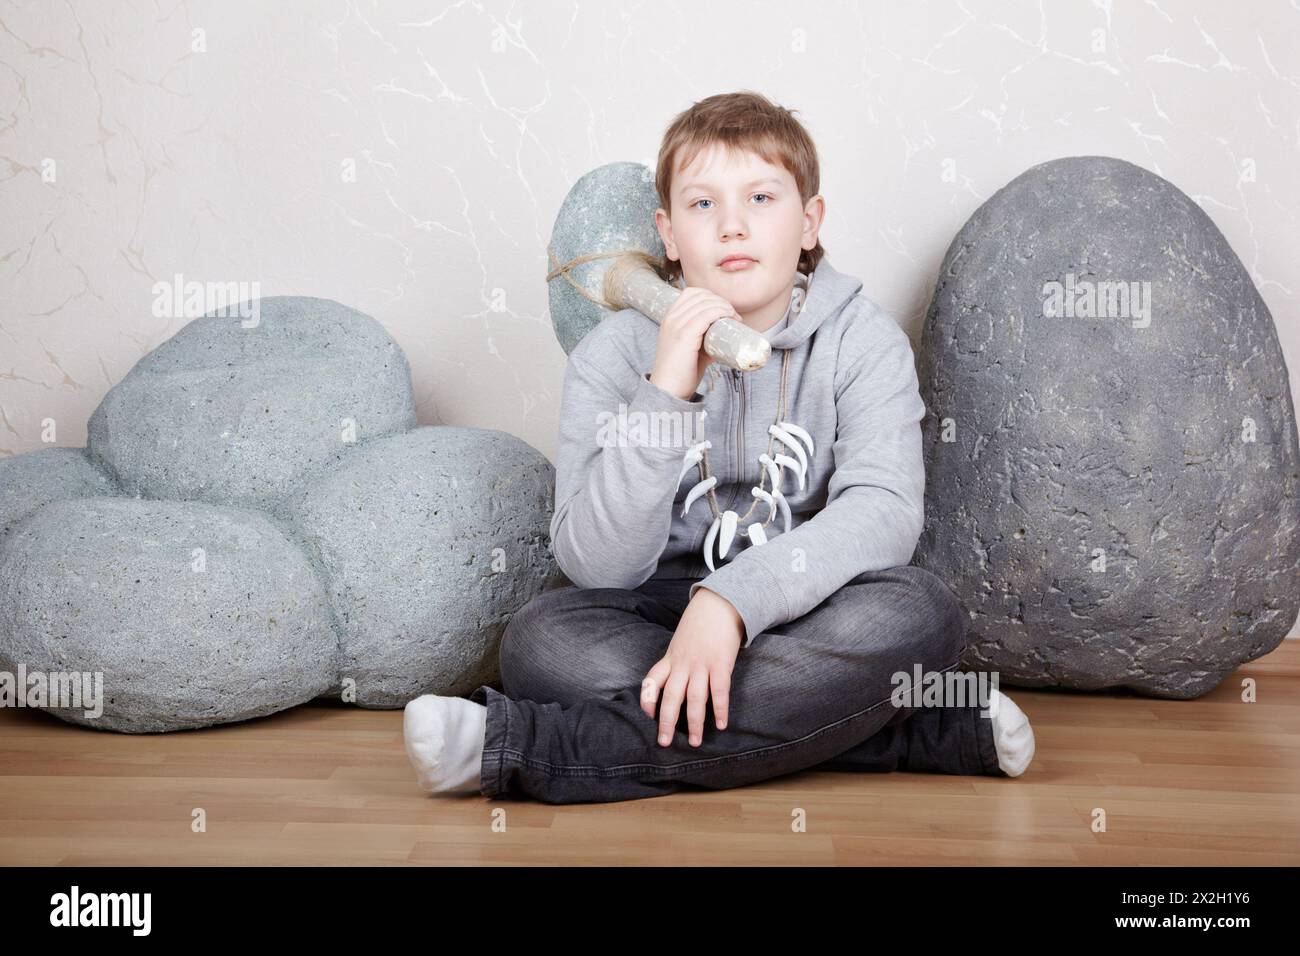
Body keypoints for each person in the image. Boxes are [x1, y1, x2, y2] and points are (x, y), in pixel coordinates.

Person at [403, 90, 1034, 803]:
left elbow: (884, 511)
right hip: (652, 617)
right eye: (703, 206)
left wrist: (730, 605)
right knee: (541, 641)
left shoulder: (864, 340)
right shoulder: (608, 357)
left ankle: (532, 748)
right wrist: (666, 391)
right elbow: (594, 563)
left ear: (809, 222)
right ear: (669, 235)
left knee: (923, 612)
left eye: (761, 198)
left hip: (808, 610)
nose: (733, 226)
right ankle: (892, 732)